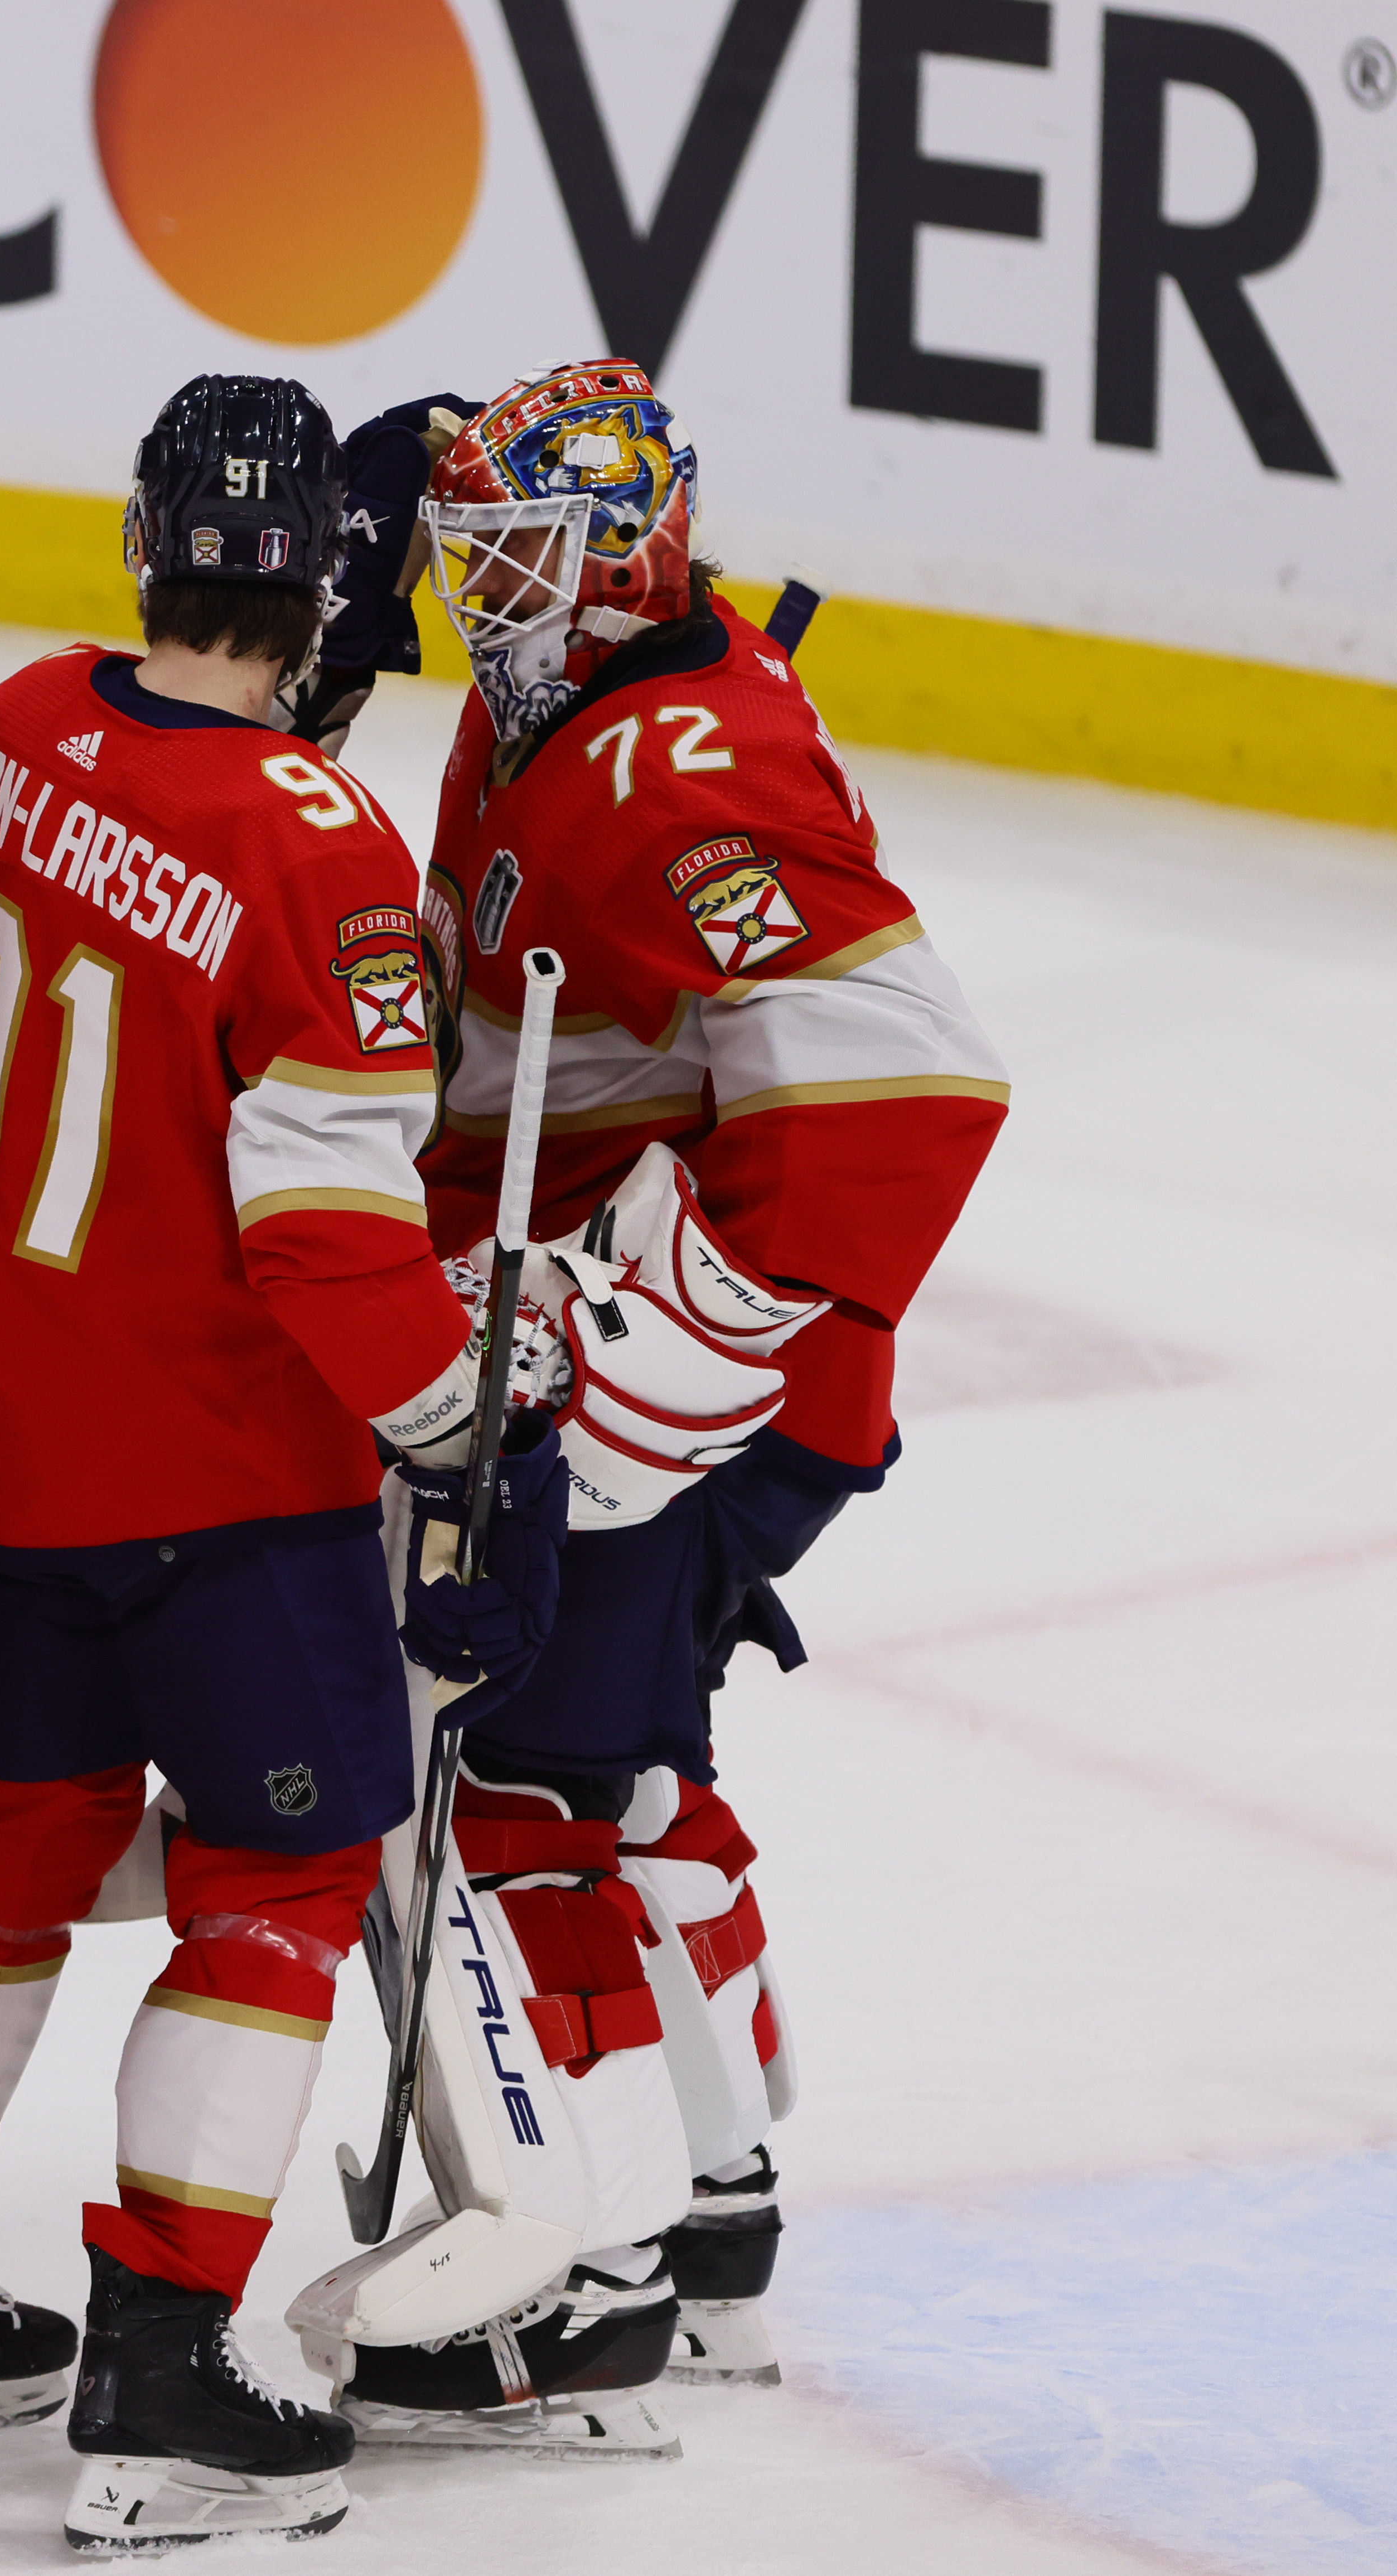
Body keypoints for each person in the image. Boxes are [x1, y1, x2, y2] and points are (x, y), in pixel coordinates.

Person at [0, 376, 563, 2550]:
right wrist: (468, 1433)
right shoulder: (318, 844)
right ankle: (157, 2376)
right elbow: (320, 1223)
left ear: (140, 548)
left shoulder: (27, 726)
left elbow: (160, 837)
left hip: (2, 1433)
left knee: (10, 1833)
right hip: (220, 1479)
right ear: (316, 581)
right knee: (278, 1885)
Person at [307, 356, 1007, 2443]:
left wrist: (631, 1379)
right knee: (619, 1779)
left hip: (707, 1380)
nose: (473, 588)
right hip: (628, 1336)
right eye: (461, 549)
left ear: (629, 541)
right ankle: (713, 2217)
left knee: (522, 1790)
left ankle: (590, 2263)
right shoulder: (544, 705)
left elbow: (914, 1096)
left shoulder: (673, 769)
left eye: (517, 548)